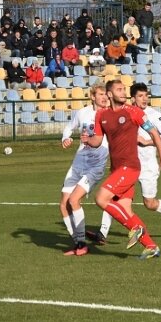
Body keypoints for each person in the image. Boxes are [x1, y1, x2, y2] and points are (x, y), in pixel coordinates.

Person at [88, 83, 161, 244]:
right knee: (112, 197)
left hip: (147, 165)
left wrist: (147, 142)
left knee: (149, 203)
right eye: (141, 96)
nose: (145, 99)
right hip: (127, 165)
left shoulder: (150, 114)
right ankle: (103, 232)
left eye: (146, 95)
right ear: (133, 98)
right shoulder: (123, 111)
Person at [58, 85, 110, 256]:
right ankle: (78, 243)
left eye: (106, 94)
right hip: (78, 162)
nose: (104, 97)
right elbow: (69, 127)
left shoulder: (110, 115)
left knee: (74, 201)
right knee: (64, 205)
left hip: (95, 165)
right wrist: (66, 138)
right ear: (92, 96)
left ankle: (81, 244)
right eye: (101, 94)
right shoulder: (83, 113)